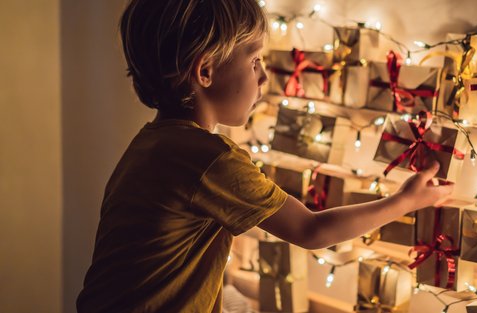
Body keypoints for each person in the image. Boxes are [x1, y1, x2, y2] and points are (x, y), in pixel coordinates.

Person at [76, 0, 454, 312]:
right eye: (254, 61)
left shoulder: (150, 144)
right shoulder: (209, 158)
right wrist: (406, 201)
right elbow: (311, 230)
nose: (263, 79)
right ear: (205, 70)